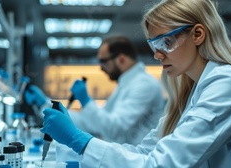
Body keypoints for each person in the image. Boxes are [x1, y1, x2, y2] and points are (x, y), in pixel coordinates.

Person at [40, 0, 231, 167]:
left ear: (198, 35)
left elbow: (161, 164)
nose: (157, 55)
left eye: (165, 43)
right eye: (153, 45)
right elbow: (147, 153)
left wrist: (79, 140)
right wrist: (77, 136)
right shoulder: (191, 91)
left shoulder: (229, 84)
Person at [24, 35, 165, 145]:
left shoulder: (145, 85)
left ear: (121, 59)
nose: (101, 67)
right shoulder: (126, 84)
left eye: (104, 61)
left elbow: (113, 128)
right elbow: (92, 123)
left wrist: (86, 101)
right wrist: (46, 105)